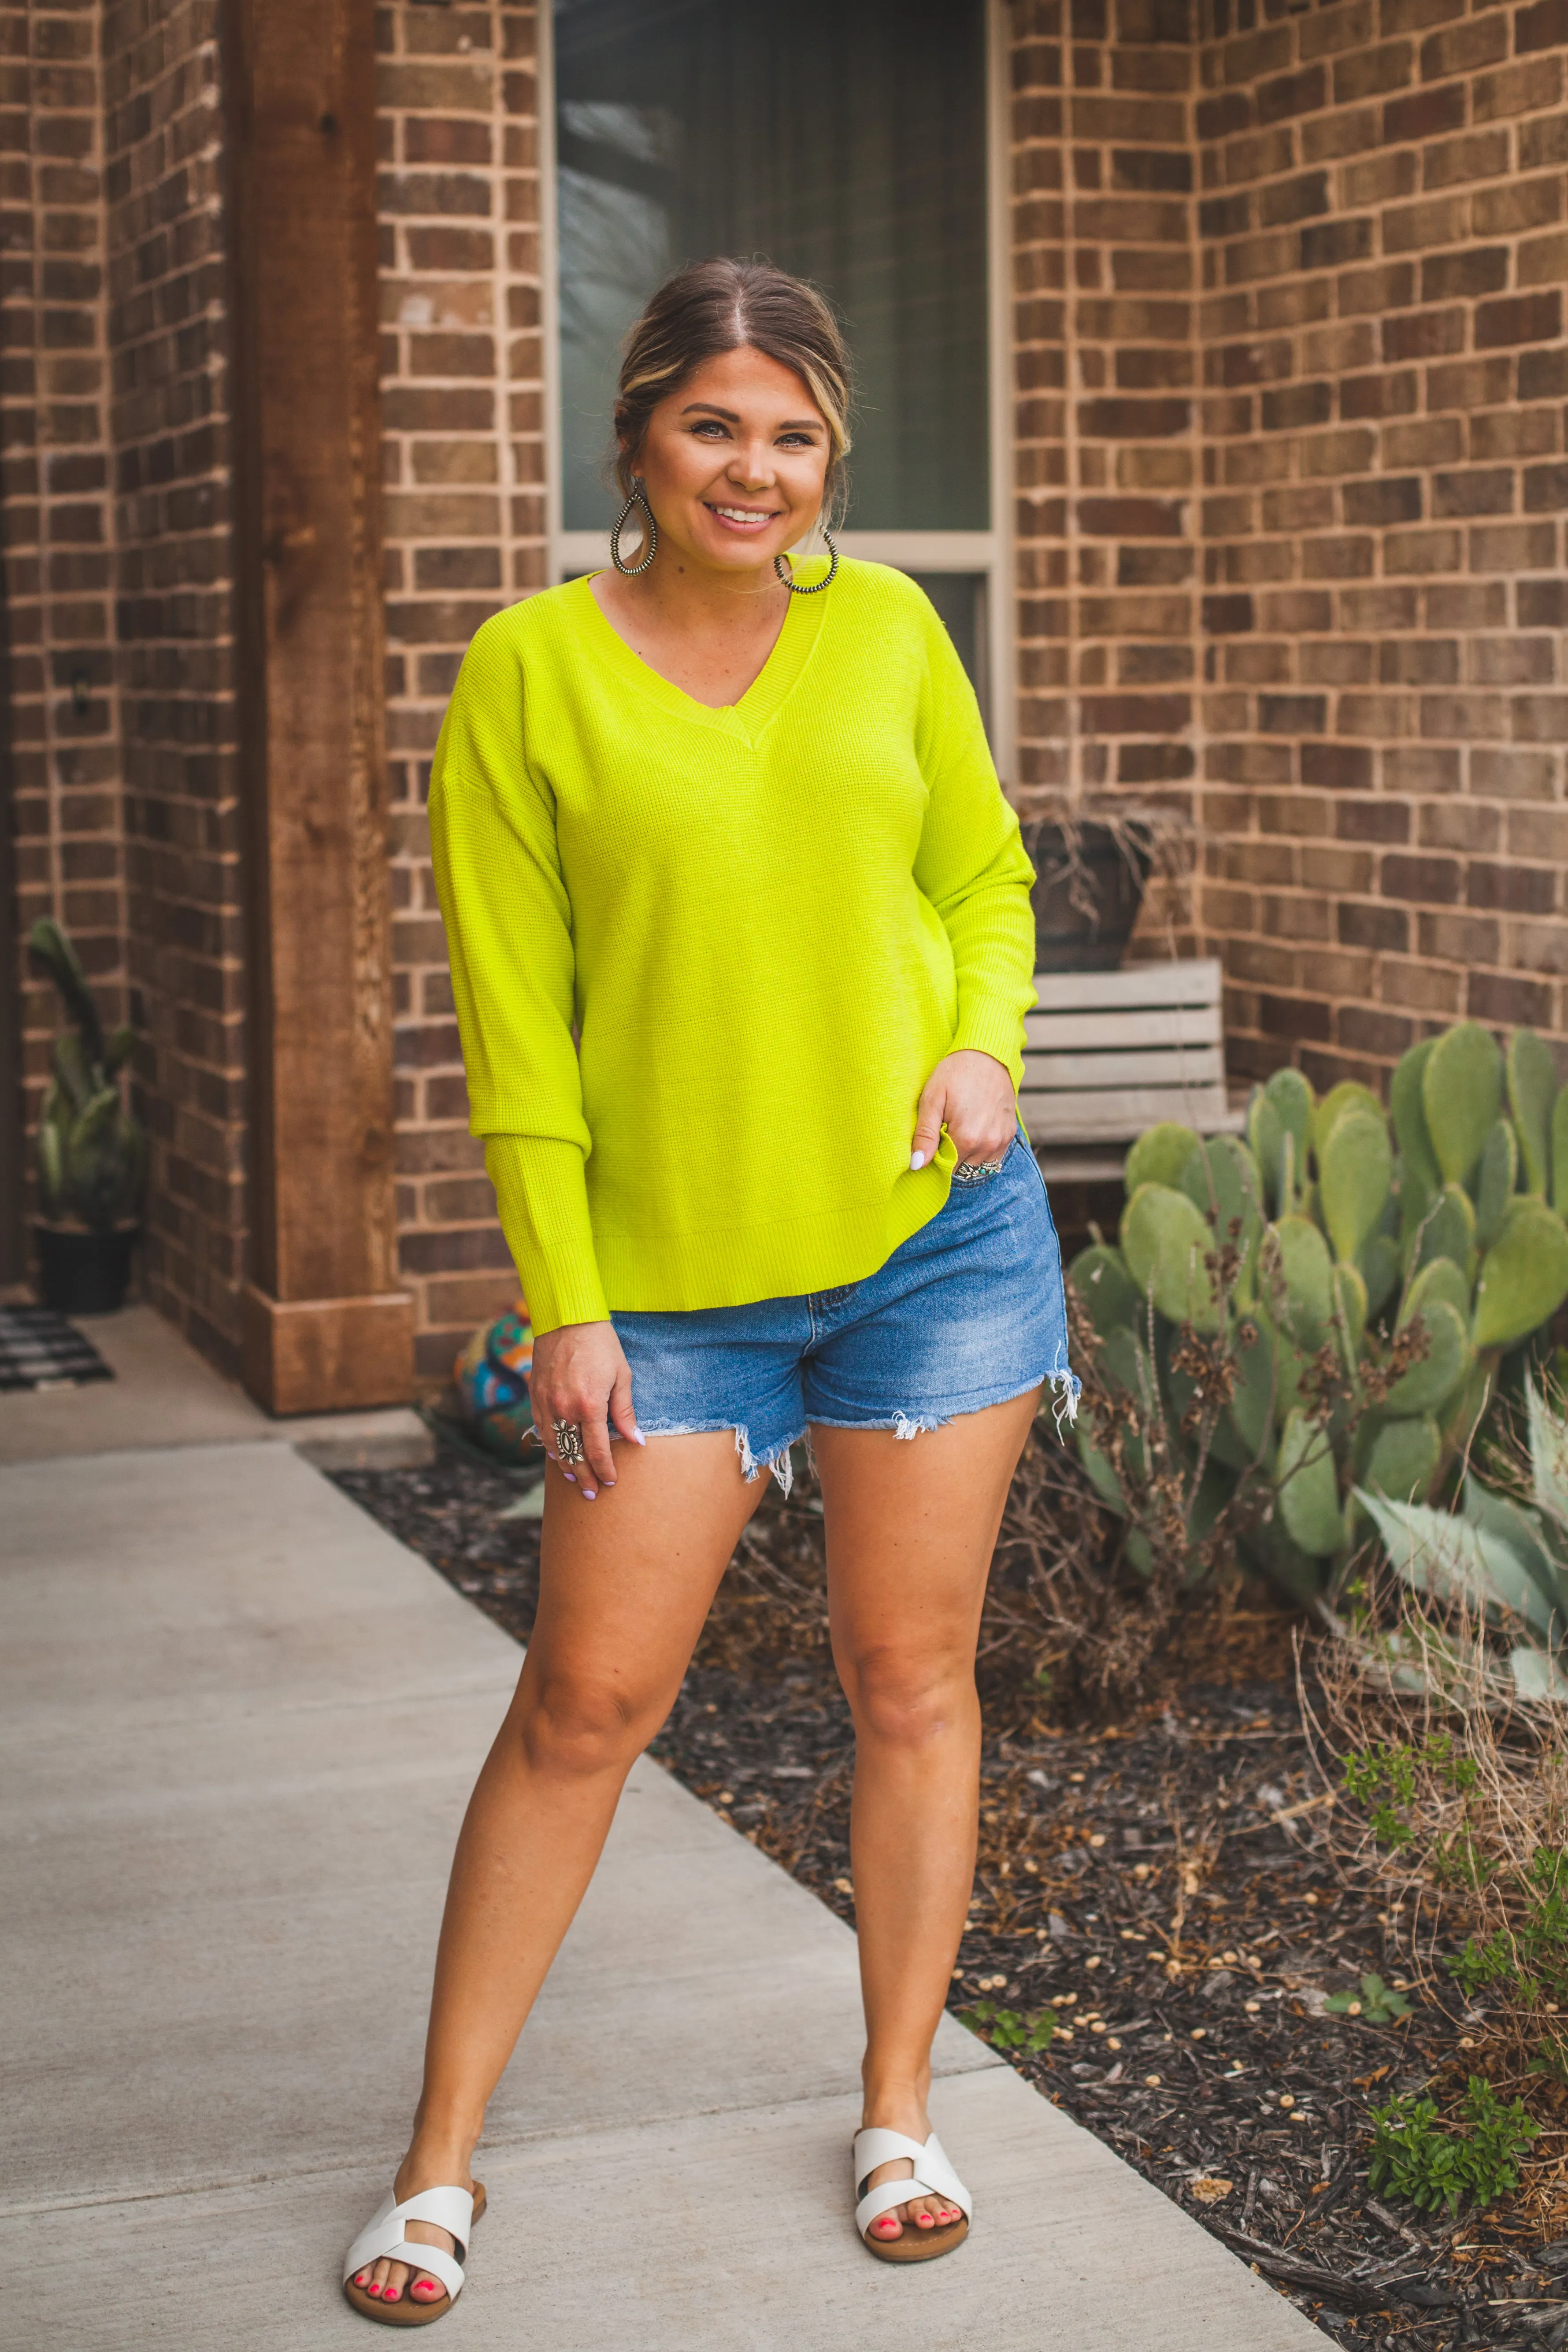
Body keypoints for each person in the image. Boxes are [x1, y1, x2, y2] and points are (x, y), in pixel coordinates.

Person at [342, 256, 1075, 2326]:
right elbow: (518, 1028)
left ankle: (900, 2105)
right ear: (640, 435)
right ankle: (439, 2158)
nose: (756, 470)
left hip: (930, 1246)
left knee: (907, 1681)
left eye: (795, 435)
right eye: (714, 425)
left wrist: (984, 1047)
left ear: (830, 456)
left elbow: (980, 880)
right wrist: (565, 1299)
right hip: (662, 1299)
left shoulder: (892, 634)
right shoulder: (529, 674)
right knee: (583, 1706)